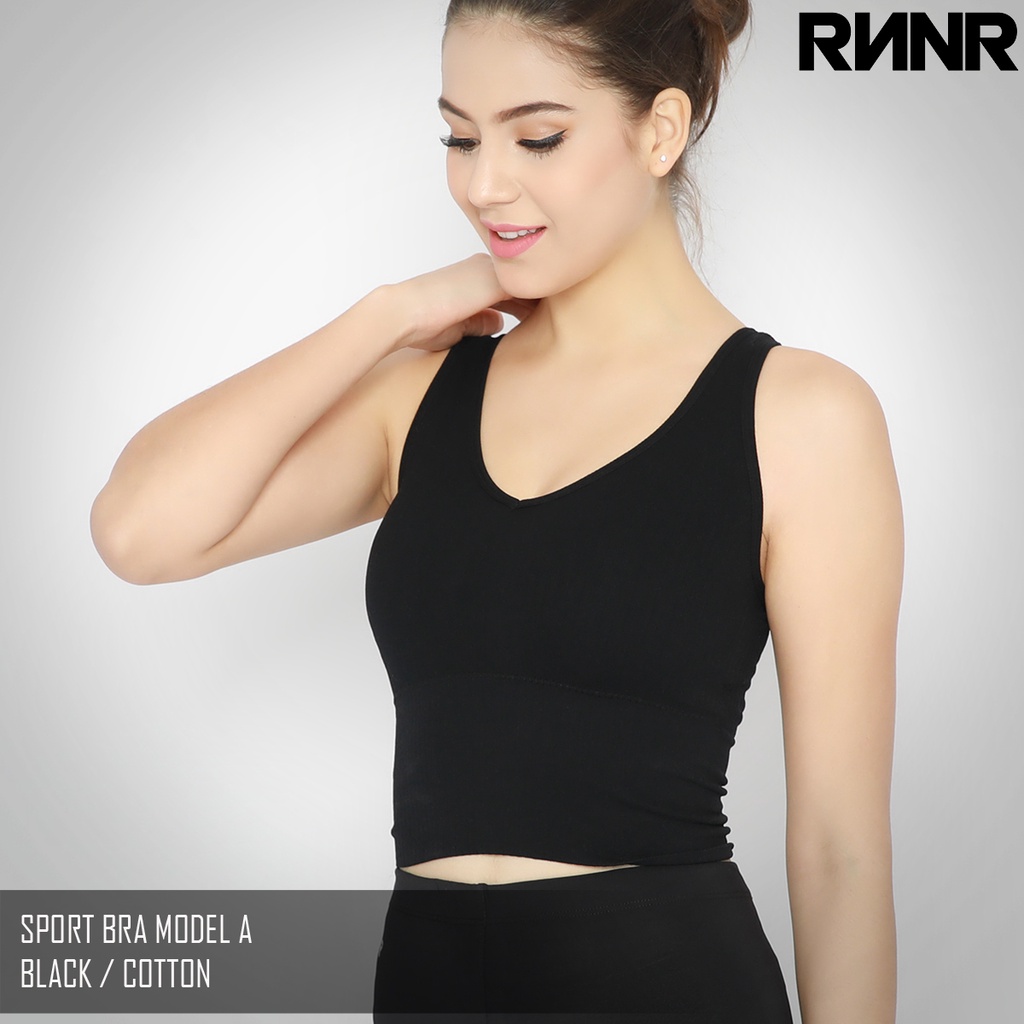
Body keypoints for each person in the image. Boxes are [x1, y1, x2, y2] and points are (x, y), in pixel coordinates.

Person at [91, 1, 902, 1020]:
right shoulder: (420, 396)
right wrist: (386, 315)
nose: (483, 184)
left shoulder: (800, 415)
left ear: (660, 130)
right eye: (460, 138)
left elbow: (838, 850)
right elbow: (140, 530)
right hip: (425, 985)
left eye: (538, 137)